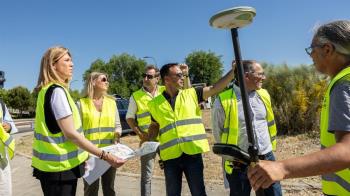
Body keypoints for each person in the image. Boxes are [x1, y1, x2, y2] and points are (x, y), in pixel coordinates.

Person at [247, 20, 350, 196]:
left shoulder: (343, 84)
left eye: (312, 49)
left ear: (327, 49)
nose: (310, 55)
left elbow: (347, 150)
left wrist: (282, 168)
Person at [31, 46, 125, 196]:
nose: (72, 64)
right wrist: (105, 155)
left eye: (71, 60)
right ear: (52, 65)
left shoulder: (48, 90)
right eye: (67, 60)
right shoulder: (57, 92)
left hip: (54, 168)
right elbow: (71, 134)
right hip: (61, 169)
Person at [147, 63, 235, 196]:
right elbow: (154, 127)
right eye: (178, 75)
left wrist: (233, 72)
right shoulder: (154, 104)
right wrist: (147, 141)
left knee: (198, 193)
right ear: (166, 79)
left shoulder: (192, 94)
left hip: (192, 154)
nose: (182, 77)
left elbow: (215, 88)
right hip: (170, 157)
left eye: (183, 75)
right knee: (172, 193)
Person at [212, 60, 282, 196]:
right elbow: (218, 133)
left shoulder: (264, 94)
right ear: (246, 76)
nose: (264, 77)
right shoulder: (222, 100)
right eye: (260, 74)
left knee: (274, 193)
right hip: (239, 163)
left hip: (266, 156)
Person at [78, 72, 122, 196]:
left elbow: (117, 126)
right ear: (92, 82)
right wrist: (82, 156)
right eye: (103, 79)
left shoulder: (112, 103)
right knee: (90, 191)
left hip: (110, 154)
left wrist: (117, 135)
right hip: (89, 156)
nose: (106, 82)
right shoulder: (81, 104)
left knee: (109, 189)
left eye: (107, 79)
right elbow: (77, 133)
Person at [126, 65, 165, 196]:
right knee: (146, 177)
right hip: (148, 141)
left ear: (157, 78)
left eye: (149, 76)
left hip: (167, 139)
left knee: (172, 173)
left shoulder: (165, 90)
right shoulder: (136, 96)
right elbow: (129, 118)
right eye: (144, 76)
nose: (146, 78)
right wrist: (141, 135)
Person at [0, 99, 17, 196]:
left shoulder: (1, 104)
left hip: (2, 160)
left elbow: (11, 123)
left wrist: (9, 126)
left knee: (4, 190)